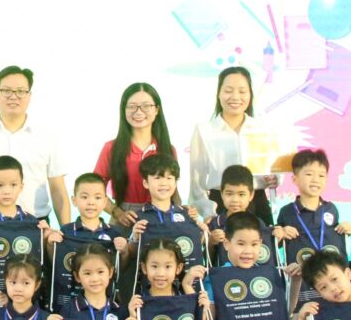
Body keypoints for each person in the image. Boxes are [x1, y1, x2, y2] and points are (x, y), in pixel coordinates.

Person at [273, 149, 351, 320]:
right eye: (308, 174)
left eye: (321, 175)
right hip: (301, 285)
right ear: (295, 178)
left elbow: (335, 241)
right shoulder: (287, 212)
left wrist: (347, 229)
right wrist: (279, 232)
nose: (315, 179)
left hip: (329, 286)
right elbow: (276, 245)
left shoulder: (331, 209)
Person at [0, 66, 70, 227]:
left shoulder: (47, 138)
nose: (13, 96)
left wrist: (66, 232)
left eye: (21, 91)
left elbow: (57, 190)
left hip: (37, 225)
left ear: (29, 96)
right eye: (6, 90)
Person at [188, 67, 281, 225]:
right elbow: (197, 182)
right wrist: (209, 213)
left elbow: (273, 169)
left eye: (242, 91)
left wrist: (274, 179)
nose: (235, 97)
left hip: (257, 204)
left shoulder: (262, 129)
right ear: (218, 93)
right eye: (228, 91)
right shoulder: (204, 130)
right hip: (220, 205)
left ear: (250, 94)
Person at [0, 156, 62, 304]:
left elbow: (47, 263)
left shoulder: (34, 224)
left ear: (21, 187)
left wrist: (46, 240)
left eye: (13, 185)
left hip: (27, 300)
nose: (7, 191)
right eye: (0, 185)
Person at [94, 83, 174, 229]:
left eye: (146, 106)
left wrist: (183, 212)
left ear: (156, 109)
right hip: (125, 219)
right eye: (132, 106)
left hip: (161, 218)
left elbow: (173, 190)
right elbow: (95, 189)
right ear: (123, 110)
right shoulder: (111, 148)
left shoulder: (167, 149)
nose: (138, 112)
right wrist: (117, 212)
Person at [129, 154, 206, 300]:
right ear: (145, 183)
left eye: (169, 178)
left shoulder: (187, 214)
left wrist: (203, 235)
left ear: (176, 182)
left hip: (189, 288)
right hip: (154, 291)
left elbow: (196, 247)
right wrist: (134, 237)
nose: (164, 183)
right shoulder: (138, 217)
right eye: (157, 178)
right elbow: (133, 255)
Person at [48, 174, 128, 301]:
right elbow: (56, 263)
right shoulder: (65, 232)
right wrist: (50, 245)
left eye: (97, 197)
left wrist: (125, 251)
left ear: (105, 201)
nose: (91, 202)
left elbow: (121, 268)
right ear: (74, 200)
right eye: (84, 197)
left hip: (105, 302)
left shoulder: (114, 233)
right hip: (71, 299)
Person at [207, 165, 276, 267]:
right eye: (229, 194)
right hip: (224, 277)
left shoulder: (258, 223)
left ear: (251, 195)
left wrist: (277, 236)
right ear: (221, 194)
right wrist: (211, 242)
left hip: (252, 276)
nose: (235, 200)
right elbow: (208, 261)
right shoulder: (214, 224)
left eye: (241, 194)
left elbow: (266, 254)